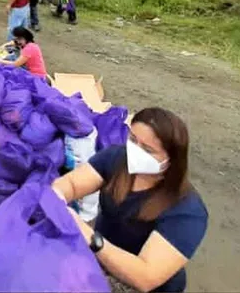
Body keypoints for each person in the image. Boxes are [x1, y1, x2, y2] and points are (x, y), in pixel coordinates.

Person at [52, 107, 207, 293]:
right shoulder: (117, 159)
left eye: (148, 150)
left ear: (172, 160)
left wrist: (92, 239)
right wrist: (58, 195)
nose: (135, 151)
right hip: (100, 266)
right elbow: (72, 184)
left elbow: (145, 276)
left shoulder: (187, 211)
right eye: (133, 139)